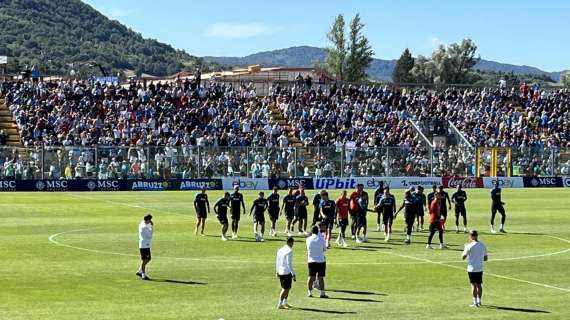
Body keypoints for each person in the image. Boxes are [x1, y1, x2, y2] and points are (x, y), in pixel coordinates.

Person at [462, 230, 488, 307]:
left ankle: (475, 302)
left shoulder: (468, 246)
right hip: (479, 268)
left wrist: (465, 249)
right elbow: (485, 258)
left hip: (471, 269)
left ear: (471, 236)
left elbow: (463, 257)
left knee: (473, 285)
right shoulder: (483, 245)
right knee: (479, 285)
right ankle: (479, 301)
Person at [306, 225, 328, 298]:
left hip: (311, 260)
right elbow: (324, 249)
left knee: (311, 277)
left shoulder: (308, 239)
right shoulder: (321, 238)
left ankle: (309, 292)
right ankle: (322, 293)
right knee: (320, 278)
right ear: (317, 231)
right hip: (320, 261)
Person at [276, 237, 296, 309]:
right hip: (286, 272)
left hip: (281, 271)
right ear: (290, 242)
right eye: (293, 243)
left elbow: (277, 261)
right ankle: (280, 304)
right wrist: (293, 273)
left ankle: (285, 302)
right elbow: (289, 264)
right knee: (285, 288)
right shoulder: (289, 251)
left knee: (287, 288)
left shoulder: (280, 250)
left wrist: (277, 271)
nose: (293, 245)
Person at [136, 214, 153, 280]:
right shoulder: (144, 227)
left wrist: (149, 225)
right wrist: (151, 226)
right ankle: (143, 274)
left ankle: (140, 271)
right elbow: (150, 235)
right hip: (144, 245)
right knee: (145, 260)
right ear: (148, 219)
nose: (150, 221)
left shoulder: (142, 223)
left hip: (144, 244)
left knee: (147, 259)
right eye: (150, 220)